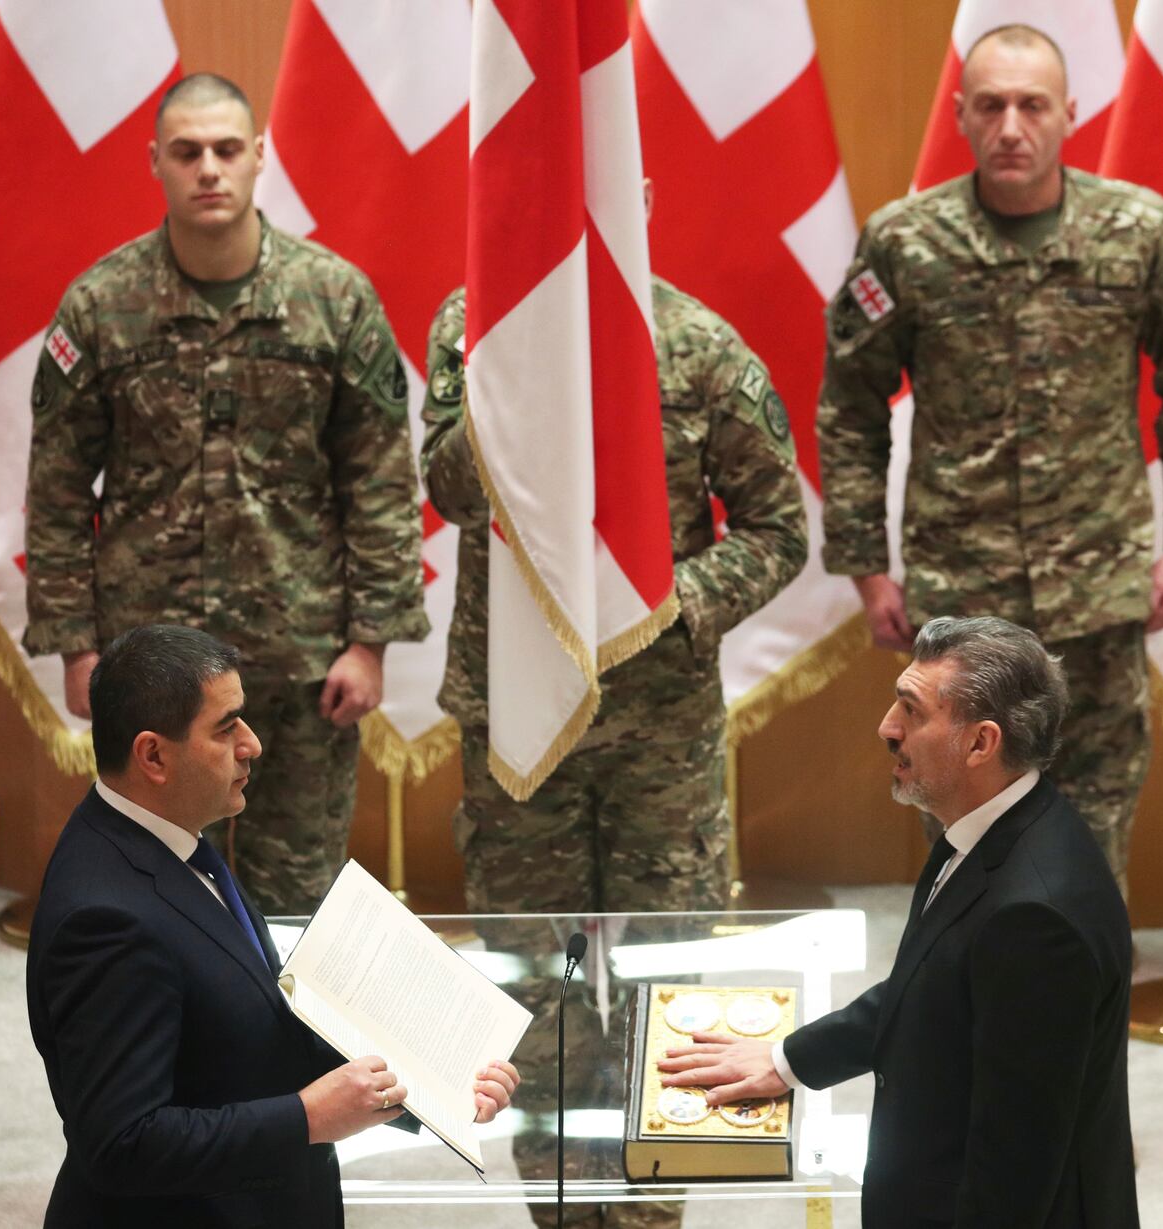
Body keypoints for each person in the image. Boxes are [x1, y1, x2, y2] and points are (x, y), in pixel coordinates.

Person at [420, 186, 808, 1229]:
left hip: (659, 728)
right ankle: (559, 1209)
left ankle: (654, 1216)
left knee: (670, 980)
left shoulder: (698, 347)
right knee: (534, 985)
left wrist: (674, 602)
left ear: (642, 198)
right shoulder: (472, 327)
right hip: (519, 718)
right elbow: (450, 487)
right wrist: (522, 374)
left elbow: (779, 527)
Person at [816, 23, 1163, 892]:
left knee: (1091, 845)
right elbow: (851, 409)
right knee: (962, 844)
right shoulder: (905, 242)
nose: (1013, 126)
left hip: (1097, 597)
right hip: (959, 609)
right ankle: (967, 1024)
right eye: (993, 105)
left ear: (1069, 115)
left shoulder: (1137, 231)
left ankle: (1082, 1025)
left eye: (1032, 105)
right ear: (962, 116)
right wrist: (868, 571)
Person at [22, 73, 427, 914]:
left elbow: (381, 480)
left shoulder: (335, 300)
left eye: (227, 150)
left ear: (258, 158)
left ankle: (304, 1053)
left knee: (297, 905)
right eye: (187, 152)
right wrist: (74, 644)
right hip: (150, 672)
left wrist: (370, 642)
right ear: (156, 164)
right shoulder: (101, 307)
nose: (209, 168)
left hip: (302, 662)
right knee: (151, 892)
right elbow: (58, 487)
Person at [26, 624, 518, 1228]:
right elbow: (122, 1144)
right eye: (226, 727)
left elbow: (251, 1028)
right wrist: (308, 1118)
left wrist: (432, 1082)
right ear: (153, 755)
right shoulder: (105, 921)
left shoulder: (167, 838)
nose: (252, 744)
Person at [659, 616, 1138, 1229]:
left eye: (911, 711)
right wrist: (787, 1060)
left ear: (979, 744)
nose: (886, 727)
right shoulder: (992, 828)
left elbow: (1014, 1171)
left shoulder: (1033, 919)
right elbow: (935, 988)